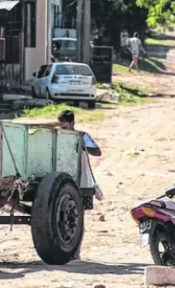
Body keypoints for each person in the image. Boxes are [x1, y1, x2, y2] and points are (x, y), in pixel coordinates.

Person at [57, 109, 103, 260]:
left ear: (72, 123)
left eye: (65, 126)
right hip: (63, 182)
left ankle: (76, 251)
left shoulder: (83, 136)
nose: (63, 129)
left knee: (78, 218)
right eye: (60, 126)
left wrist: (84, 145)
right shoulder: (57, 137)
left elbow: (97, 152)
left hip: (83, 182)